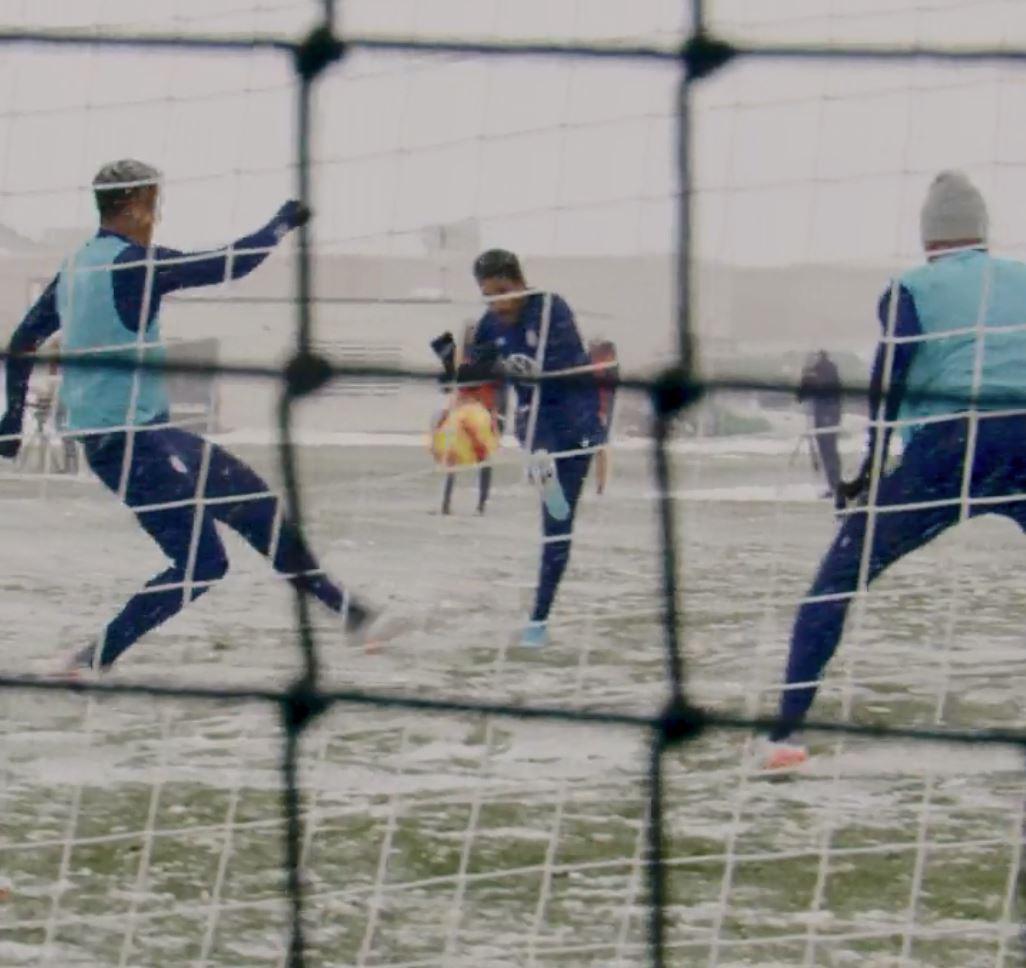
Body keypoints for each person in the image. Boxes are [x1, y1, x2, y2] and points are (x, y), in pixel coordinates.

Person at [0, 159, 386, 673]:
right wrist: (282, 222)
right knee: (202, 563)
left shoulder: (75, 269)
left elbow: (21, 343)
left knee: (253, 503)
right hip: (129, 445)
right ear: (134, 205)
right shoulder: (134, 266)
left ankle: (353, 614)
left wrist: (11, 422)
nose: (157, 216)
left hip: (145, 437)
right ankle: (90, 660)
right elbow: (230, 264)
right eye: (154, 203)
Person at [764, 170, 1026, 769]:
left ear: (928, 236)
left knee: (837, 581)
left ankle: (784, 737)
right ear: (983, 230)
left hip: (952, 446)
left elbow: (891, 379)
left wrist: (869, 469)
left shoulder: (912, 286)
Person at [459, 249, 606, 648]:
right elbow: (476, 371)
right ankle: (541, 468)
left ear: (521, 283)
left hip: (577, 423)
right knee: (542, 461)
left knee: (558, 527)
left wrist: (512, 365)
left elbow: (559, 361)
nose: (498, 302)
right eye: (489, 295)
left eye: (504, 291)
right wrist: (458, 367)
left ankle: (538, 621)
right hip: (538, 425)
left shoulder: (550, 308)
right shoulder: (490, 324)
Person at [430, 321, 507, 515]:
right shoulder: (462, 361)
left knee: (482, 458)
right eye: (469, 334)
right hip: (462, 411)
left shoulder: (492, 362)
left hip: (481, 411)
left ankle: (481, 504)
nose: (471, 338)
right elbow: (448, 386)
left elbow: (500, 389)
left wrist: (500, 416)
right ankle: (446, 504)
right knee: (453, 456)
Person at [796, 349, 843, 496]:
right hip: (826, 413)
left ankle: (835, 486)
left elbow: (802, 394)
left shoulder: (824, 369)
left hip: (827, 413)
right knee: (828, 450)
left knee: (828, 450)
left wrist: (807, 376)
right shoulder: (823, 369)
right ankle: (834, 485)